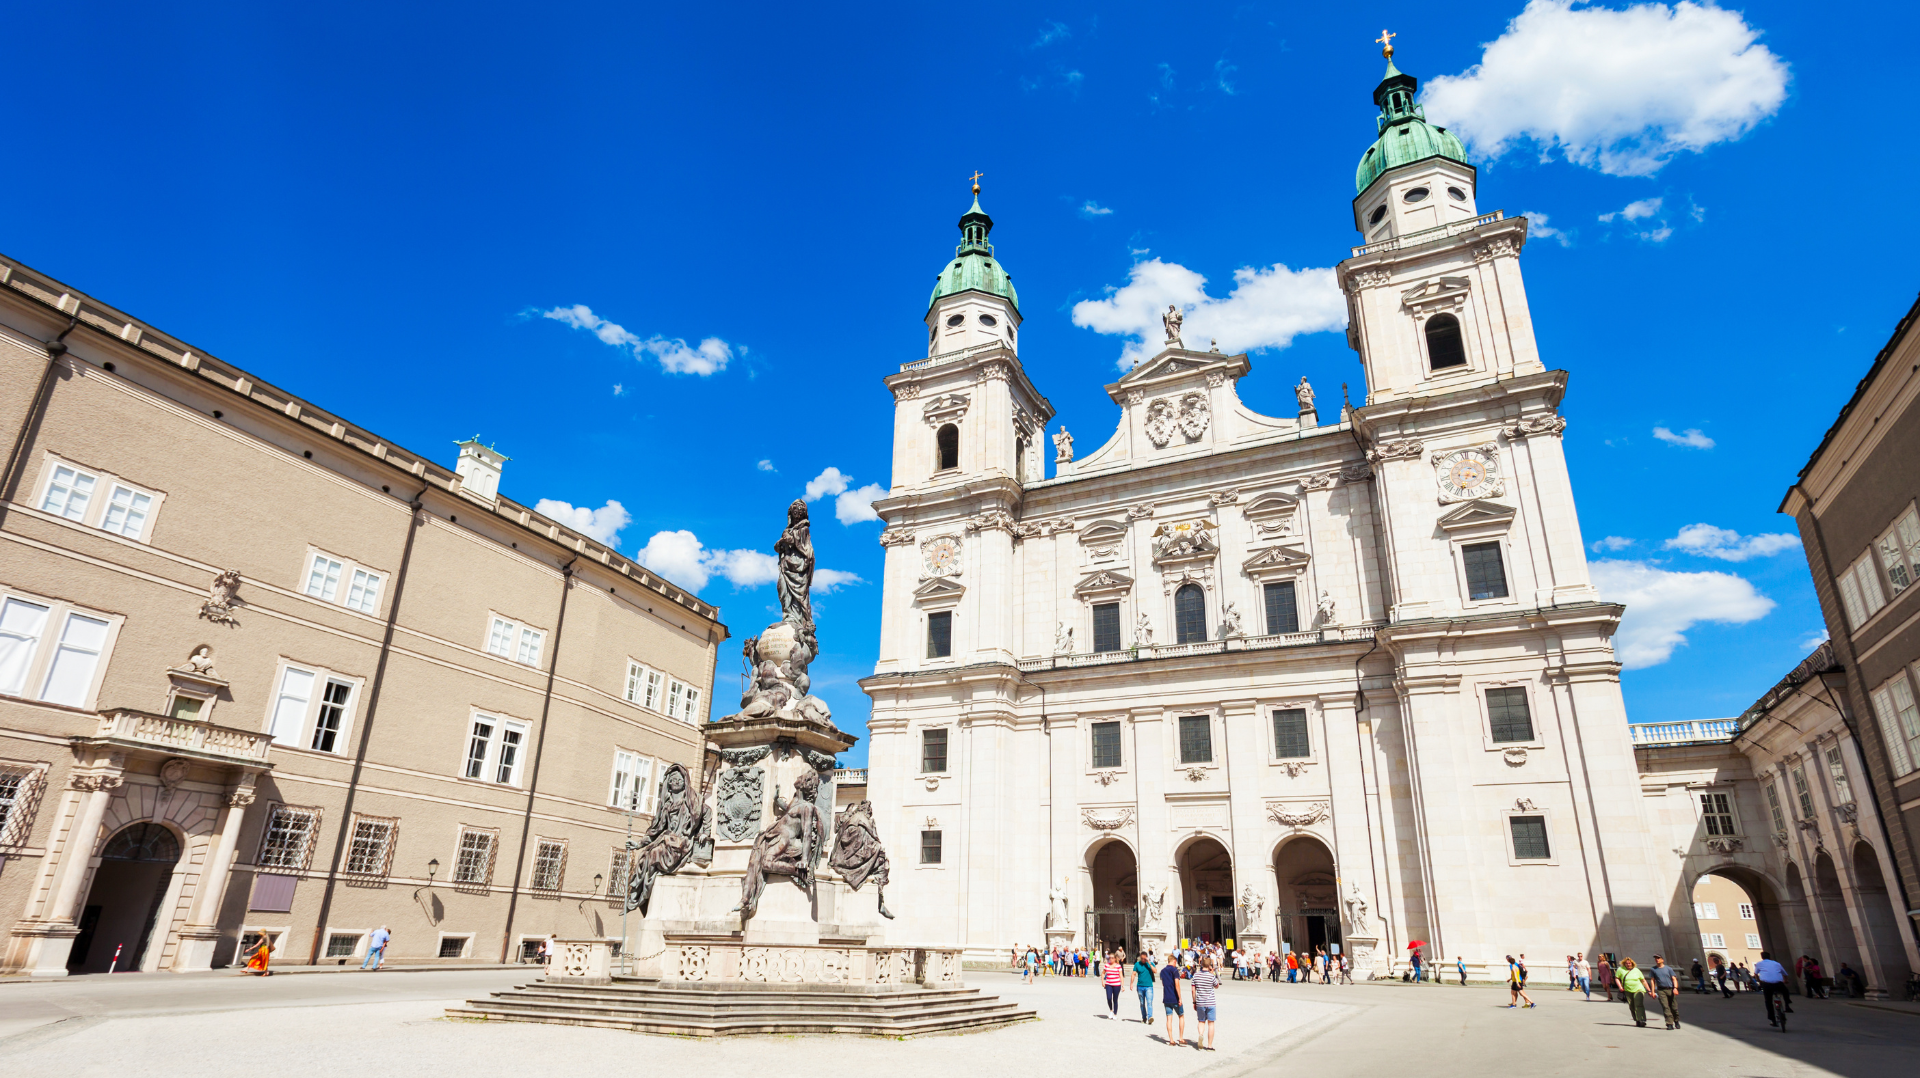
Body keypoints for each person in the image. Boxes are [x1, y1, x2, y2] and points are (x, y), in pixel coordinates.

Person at [1192, 956, 1221, 1051]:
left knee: (1201, 1021)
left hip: (1200, 1001)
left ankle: (1200, 1034)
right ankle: (1209, 1045)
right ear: (1209, 966)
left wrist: (1194, 1001)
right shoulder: (1211, 976)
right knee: (1211, 1023)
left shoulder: (1196, 975)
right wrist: (1212, 973)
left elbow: (1193, 990)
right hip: (1210, 1002)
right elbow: (1216, 986)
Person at [1754, 951, 1790, 1027]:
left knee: (1768, 1001)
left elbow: (1756, 973)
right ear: (1770, 957)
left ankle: (1772, 1019)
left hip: (1767, 985)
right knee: (1785, 991)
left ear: (1762, 957)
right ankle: (1787, 1005)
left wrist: (1759, 981)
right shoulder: (1776, 963)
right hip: (1778, 984)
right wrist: (1786, 980)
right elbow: (1785, 974)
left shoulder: (1759, 964)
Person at [1160, 953, 1188, 1048]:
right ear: (1174, 961)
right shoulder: (1174, 970)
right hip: (1175, 997)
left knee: (1169, 1018)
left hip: (1166, 997)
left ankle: (1171, 1039)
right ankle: (1180, 1038)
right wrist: (1180, 998)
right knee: (1181, 1016)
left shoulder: (1162, 971)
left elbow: (1164, 983)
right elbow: (1177, 984)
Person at [1648, 955, 1681, 1030]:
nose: (1657, 960)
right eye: (1656, 959)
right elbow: (1652, 981)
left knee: (1674, 1007)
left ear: (1663, 960)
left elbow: (1674, 979)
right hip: (1661, 990)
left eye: (1658, 958)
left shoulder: (1668, 969)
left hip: (1670, 989)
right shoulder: (1653, 969)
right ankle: (1669, 1023)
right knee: (1665, 1006)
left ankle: (1676, 1021)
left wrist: (1675, 988)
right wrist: (1652, 991)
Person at [1618, 957, 1648, 1027]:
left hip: (1639, 989)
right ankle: (1637, 1020)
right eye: (1626, 963)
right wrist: (1620, 987)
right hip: (1627, 990)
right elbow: (1617, 978)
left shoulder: (1637, 970)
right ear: (1624, 964)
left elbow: (1643, 980)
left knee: (1638, 1004)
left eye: (1629, 963)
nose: (1628, 964)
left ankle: (1641, 1019)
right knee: (1632, 1006)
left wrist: (1649, 990)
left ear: (1632, 963)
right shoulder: (1620, 970)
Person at [1133, 950, 1157, 1023]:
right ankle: (1144, 1017)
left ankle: (1150, 1017)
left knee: (1149, 1002)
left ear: (1146, 957)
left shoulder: (1150, 964)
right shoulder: (1137, 964)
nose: (1143, 960)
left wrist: (1149, 962)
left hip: (1149, 986)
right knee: (1142, 1003)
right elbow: (1133, 974)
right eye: (1142, 958)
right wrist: (1131, 983)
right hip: (1140, 986)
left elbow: (1155, 971)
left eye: (1144, 958)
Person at [1102, 948, 1124, 1018]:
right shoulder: (1106, 965)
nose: (1110, 959)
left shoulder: (1118, 966)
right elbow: (1103, 973)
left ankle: (1115, 1014)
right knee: (1108, 998)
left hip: (1117, 984)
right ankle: (1111, 1010)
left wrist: (1122, 986)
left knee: (1115, 999)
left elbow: (1121, 976)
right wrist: (1102, 981)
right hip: (1108, 984)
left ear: (1115, 959)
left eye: (1112, 958)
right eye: (1109, 958)